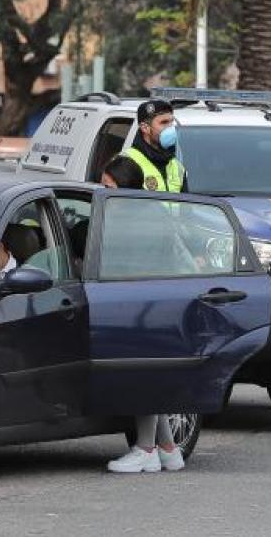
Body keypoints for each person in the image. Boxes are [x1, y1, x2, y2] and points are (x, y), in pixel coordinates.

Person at [101, 99, 186, 474]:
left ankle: (148, 448)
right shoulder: (127, 165)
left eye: (173, 120)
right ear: (145, 126)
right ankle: (165, 447)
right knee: (150, 362)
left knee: (150, 363)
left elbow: (187, 221)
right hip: (140, 273)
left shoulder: (178, 168)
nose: (171, 127)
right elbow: (113, 220)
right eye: (165, 121)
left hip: (163, 276)